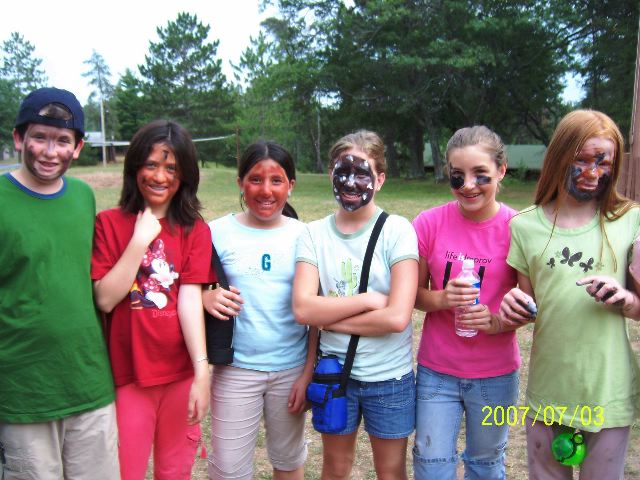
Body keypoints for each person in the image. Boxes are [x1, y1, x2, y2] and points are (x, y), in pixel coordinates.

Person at [500, 109, 640, 479]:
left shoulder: (630, 219)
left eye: (603, 162)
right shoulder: (524, 226)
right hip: (549, 392)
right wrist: (512, 307)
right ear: (560, 156)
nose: (592, 172)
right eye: (581, 159)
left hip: (607, 391)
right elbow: (527, 307)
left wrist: (626, 299)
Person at [0, 87, 119, 479]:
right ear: (19, 138)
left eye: (63, 141)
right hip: (23, 393)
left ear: (78, 147)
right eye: (40, 137)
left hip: (89, 384)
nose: (50, 152)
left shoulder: (83, 197)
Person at [293, 130, 419, 480]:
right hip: (334, 374)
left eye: (361, 173)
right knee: (335, 468)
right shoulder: (313, 234)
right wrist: (366, 301)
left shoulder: (398, 231)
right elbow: (303, 309)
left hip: (389, 378)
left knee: (391, 471)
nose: (350, 182)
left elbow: (397, 317)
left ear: (380, 179)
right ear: (330, 173)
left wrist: (329, 318)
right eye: (342, 172)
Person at [91, 120, 212, 480]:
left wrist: (201, 373)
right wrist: (140, 240)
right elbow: (105, 299)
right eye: (151, 165)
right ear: (135, 167)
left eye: (171, 168)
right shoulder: (109, 223)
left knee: (175, 471)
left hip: (179, 375)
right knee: (125, 471)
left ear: (184, 175)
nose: (160, 176)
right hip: (129, 376)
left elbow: (189, 302)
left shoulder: (195, 229)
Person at [411, 126, 523, 480]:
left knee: (486, 464)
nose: (468, 186)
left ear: (501, 171)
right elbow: (414, 295)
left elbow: (530, 304)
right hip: (437, 371)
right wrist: (443, 298)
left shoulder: (519, 227)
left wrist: (496, 322)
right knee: (431, 464)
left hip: (496, 374)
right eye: (458, 175)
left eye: (481, 174)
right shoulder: (428, 223)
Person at [203, 140, 315, 480]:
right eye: (255, 179)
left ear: (290, 185)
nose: (266, 190)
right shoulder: (215, 233)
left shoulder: (306, 236)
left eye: (276, 180)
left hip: (291, 370)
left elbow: (315, 314)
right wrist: (204, 298)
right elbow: (187, 287)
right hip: (235, 370)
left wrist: (307, 373)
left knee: (288, 461)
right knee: (228, 469)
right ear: (240, 182)